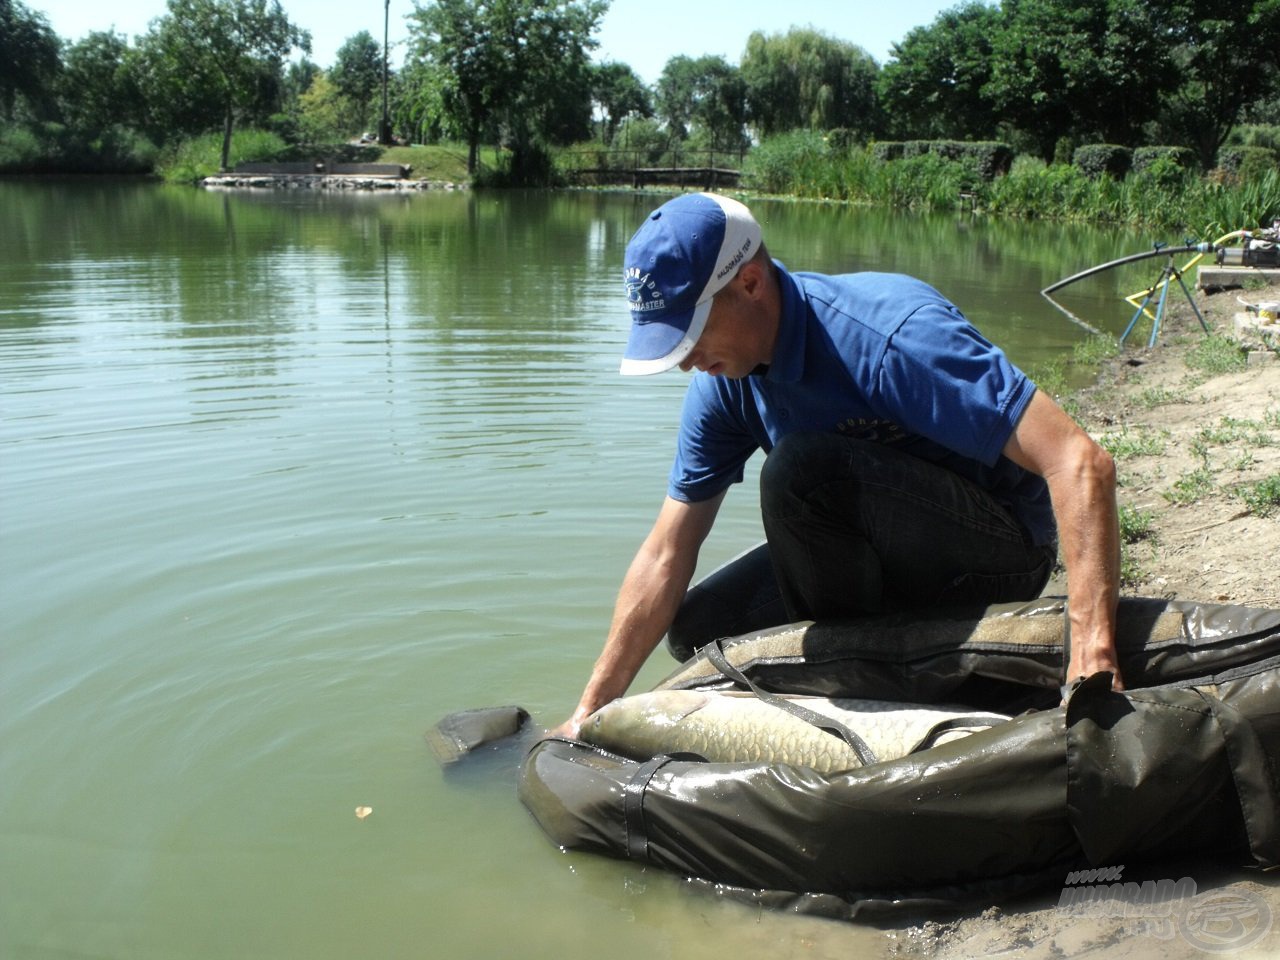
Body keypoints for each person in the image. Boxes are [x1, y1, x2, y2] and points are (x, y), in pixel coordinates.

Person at [554, 192, 1120, 738]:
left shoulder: (891, 335)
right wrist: (591, 708)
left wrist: (1091, 657)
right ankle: (871, 664)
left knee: (802, 471)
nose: (685, 364)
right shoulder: (724, 383)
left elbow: (1078, 460)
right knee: (702, 628)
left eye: (688, 335)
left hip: (999, 550)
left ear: (749, 283)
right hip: (883, 557)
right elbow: (666, 552)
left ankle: (868, 687)